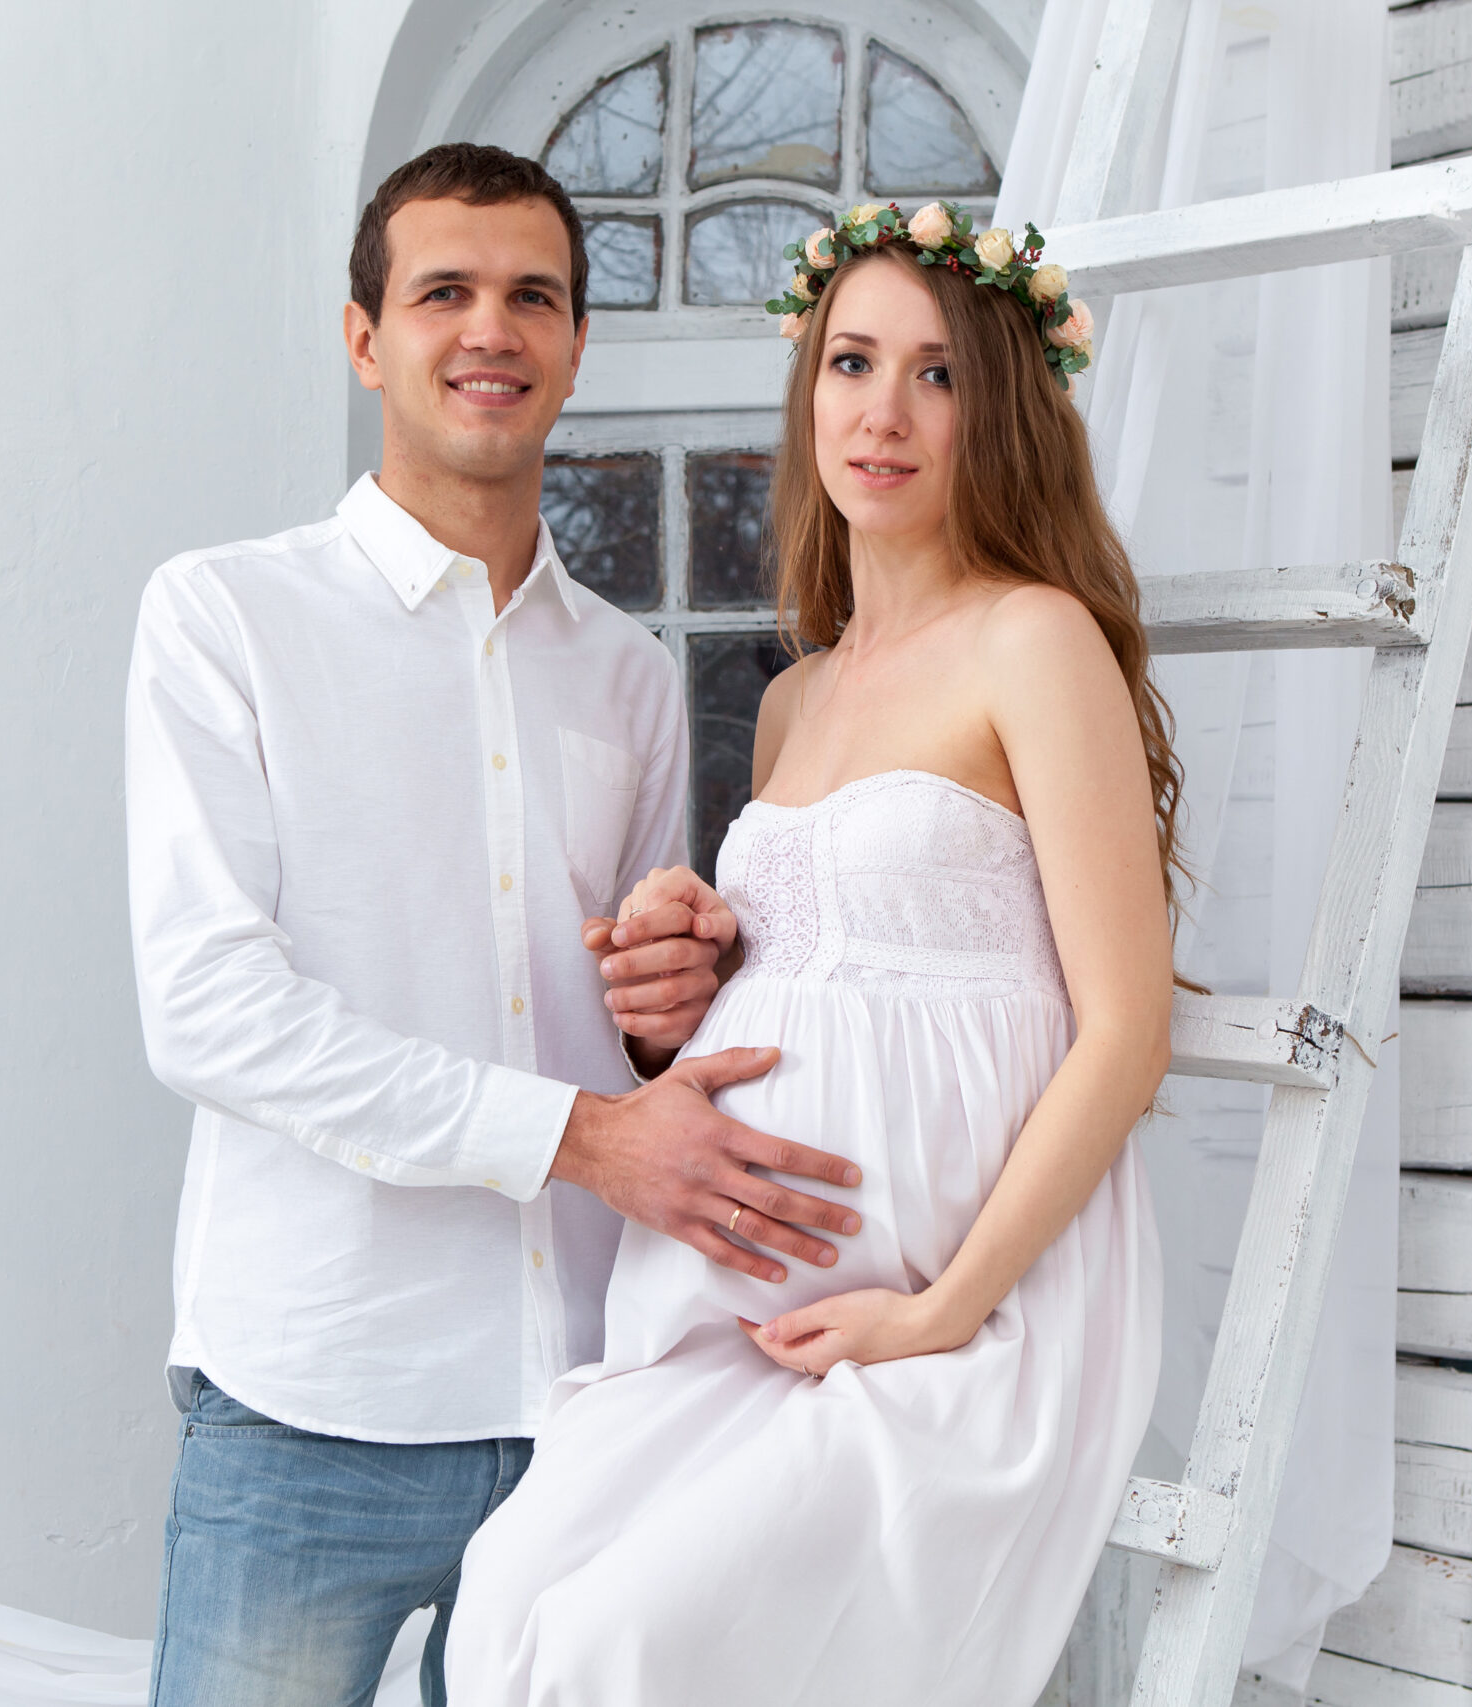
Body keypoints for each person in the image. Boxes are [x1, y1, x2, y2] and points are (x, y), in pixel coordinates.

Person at [122, 143, 865, 1707]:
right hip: (309, 1394)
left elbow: (635, 1022)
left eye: (533, 296)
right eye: (442, 290)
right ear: (362, 337)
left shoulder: (628, 674)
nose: (491, 329)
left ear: (578, 345)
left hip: (584, 1403)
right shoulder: (223, 615)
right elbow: (208, 1008)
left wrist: (679, 993)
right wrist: (586, 1136)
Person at [445, 203, 1180, 1706]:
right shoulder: (797, 698)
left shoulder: (1034, 642)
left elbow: (1127, 1031)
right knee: (502, 1605)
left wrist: (940, 1312)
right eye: (852, 361)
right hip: (734, 1298)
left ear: (1004, 410)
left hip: (961, 1307)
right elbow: (821, 973)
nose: (885, 412)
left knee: (615, 1644)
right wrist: (688, 966)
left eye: (937, 374)